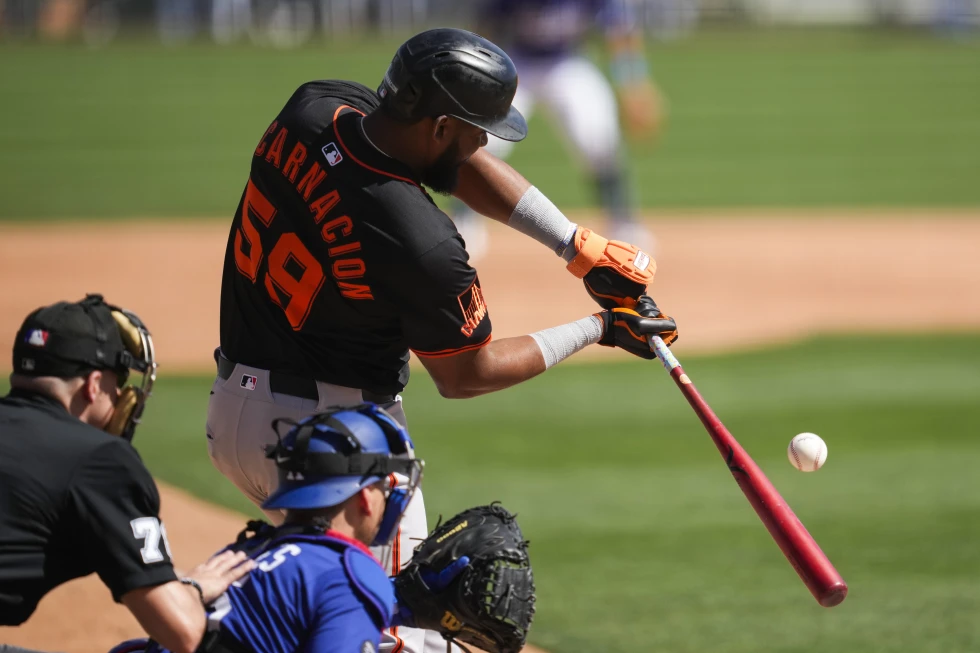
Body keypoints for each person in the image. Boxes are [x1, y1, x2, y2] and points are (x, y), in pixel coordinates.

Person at [208, 26, 678, 653]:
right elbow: (467, 373)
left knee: (322, 612)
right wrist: (601, 327)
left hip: (233, 417)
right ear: (438, 126)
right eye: (477, 128)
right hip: (337, 448)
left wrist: (575, 245)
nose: (484, 142)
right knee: (395, 631)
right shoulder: (422, 242)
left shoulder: (315, 108)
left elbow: (458, 165)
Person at [0, 294, 254, 653]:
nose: (121, 395)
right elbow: (182, 633)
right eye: (117, 383)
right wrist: (193, 589)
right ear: (93, 385)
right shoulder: (98, 459)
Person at [109, 404, 431, 653]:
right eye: (382, 486)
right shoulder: (350, 574)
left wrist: (402, 607)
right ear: (365, 497)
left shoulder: (243, 553)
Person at [452, 0, 665, 259]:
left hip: (567, 63)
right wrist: (474, 79)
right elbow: (483, 31)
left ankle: (623, 223)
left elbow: (619, 30)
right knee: (483, 139)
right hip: (516, 62)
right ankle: (463, 222)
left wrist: (633, 82)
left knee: (597, 136)